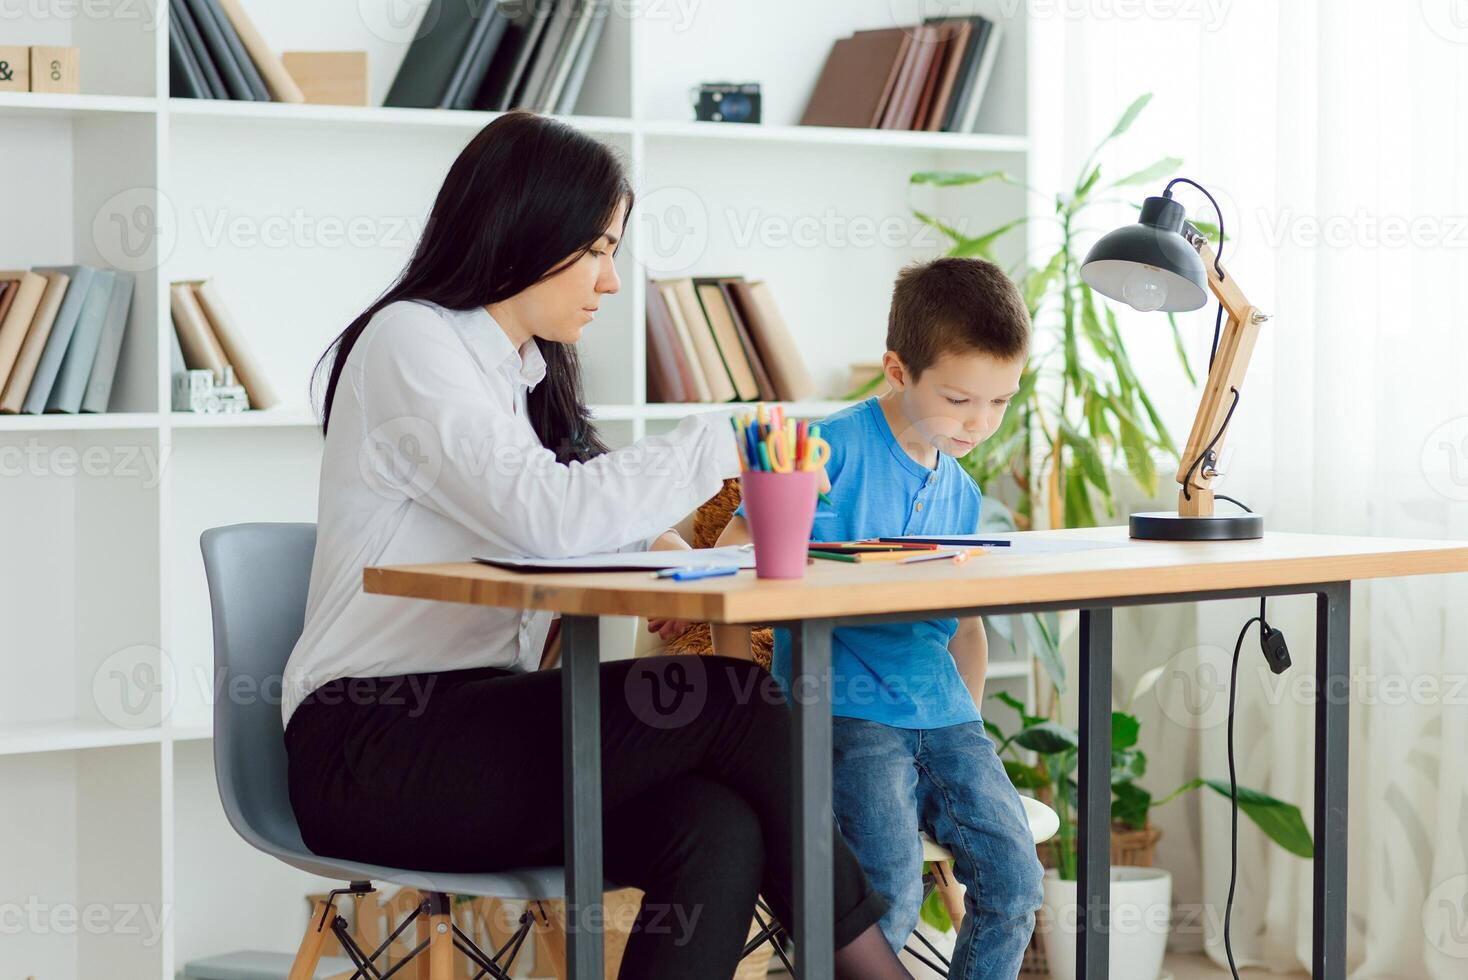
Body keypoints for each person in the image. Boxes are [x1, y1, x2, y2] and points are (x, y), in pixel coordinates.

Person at [280, 111, 916, 980]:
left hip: (479, 729)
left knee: (715, 828)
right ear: (521, 228)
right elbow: (545, 517)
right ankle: (880, 973)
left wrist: (668, 548)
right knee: (735, 697)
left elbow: (573, 516)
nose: (611, 281)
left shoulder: (517, 378)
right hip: (372, 747)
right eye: (596, 249)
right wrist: (716, 440)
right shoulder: (413, 342)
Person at [717, 257, 1047, 978]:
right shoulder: (829, 452)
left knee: (1017, 886)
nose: (980, 424)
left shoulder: (960, 488)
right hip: (846, 713)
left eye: (1000, 403)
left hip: (946, 717)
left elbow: (966, 626)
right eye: (961, 399)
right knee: (883, 900)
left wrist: (969, 729)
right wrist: (747, 703)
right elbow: (731, 554)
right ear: (898, 371)